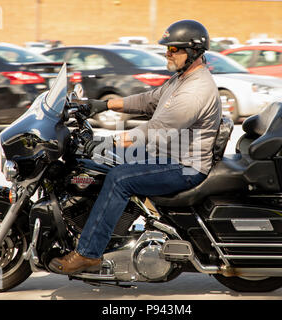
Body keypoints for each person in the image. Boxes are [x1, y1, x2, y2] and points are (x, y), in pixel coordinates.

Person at [48, 20, 222, 275]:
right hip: (168, 155)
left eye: (174, 49)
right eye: (168, 48)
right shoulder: (181, 79)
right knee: (99, 163)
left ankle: (88, 253)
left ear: (194, 51)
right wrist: (101, 105)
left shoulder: (195, 90)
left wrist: (107, 141)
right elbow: (147, 100)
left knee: (119, 179)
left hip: (184, 166)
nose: (167, 53)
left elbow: (155, 131)